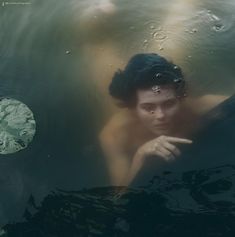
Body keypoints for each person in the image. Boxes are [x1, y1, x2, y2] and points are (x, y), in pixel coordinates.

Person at [99, 53, 228, 186]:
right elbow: (118, 199)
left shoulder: (197, 108)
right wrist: (140, 156)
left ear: (179, 99)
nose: (160, 115)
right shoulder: (116, 134)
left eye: (169, 104)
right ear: (133, 108)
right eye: (148, 107)